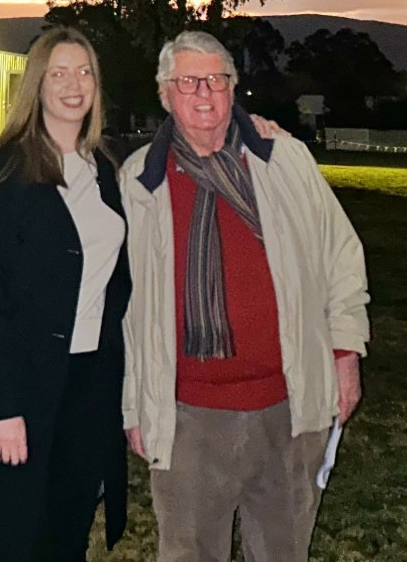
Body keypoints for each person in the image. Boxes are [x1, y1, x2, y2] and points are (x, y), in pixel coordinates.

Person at [120, 30, 370, 562]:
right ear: (165, 93)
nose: (205, 94)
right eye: (189, 82)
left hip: (286, 406)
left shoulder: (284, 160)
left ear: (234, 88)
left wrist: (345, 355)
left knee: (281, 552)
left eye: (217, 79)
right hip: (187, 416)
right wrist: (133, 404)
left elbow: (340, 257)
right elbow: (126, 309)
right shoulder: (138, 181)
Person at [0, 28, 133, 562]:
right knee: (13, 530)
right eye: (58, 73)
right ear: (36, 87)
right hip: (23, 379)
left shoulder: (104, 170)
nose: (73, 84)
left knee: (68, 522)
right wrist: (5, 408)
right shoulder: (10, 169)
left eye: (84, 72)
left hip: (87, 380)